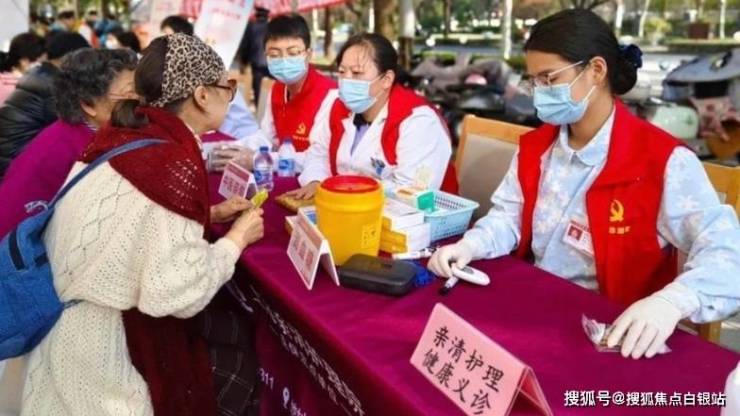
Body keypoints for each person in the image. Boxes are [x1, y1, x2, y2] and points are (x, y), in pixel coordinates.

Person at [429, 9, 740, 360]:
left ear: (596, 70)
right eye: (533, 81)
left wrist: (671, 302)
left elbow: (728, 254)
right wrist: (471, 245)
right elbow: (509, 218)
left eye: (549, 78)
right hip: (534, 307)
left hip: (612, 333)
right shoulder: (538, 149)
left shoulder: (662, 161)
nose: (538, 92)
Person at [19, 33, 264, 415]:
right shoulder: (172, 159)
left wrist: (209, 215)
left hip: (64, 328)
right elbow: (176, 292)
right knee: (236, 368)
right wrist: (236, 239)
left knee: (227, 331)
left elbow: (136, 219)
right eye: (227, 87)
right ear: (202, 94)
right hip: (101, 359)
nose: (230, 96)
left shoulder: (122, 134)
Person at [289, 33, 454, 199]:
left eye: (356, 72)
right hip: (347, 205)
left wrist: (352, 191)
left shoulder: (419, 121)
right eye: (342, 72)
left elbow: (412, 192)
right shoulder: (338, 107)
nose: (346, 80)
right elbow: (319, 153)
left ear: (386, 79)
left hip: (412, 213)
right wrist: (316, 180)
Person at [0, 48, 137, 238]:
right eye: (130, 93)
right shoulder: (77, 148)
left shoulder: (83, 130)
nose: (140, 100)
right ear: (88, 104)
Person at [0, 32, 89, 177]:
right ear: (70, 57)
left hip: (10, 156)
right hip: (16, 165)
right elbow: (77, 124)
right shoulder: (53, 85)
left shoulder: (38, 74)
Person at [0, 32, 46, 104]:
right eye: (40, 62)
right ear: (24, 61)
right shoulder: (19, 89)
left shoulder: (5, 77)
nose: (41, 66)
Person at [237, 6, 269, 101]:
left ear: (256, 15)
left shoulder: (251, 27)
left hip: (257, 62)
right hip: (270, 61)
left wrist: (243, 62)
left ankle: (258, 104)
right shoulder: (272, 27)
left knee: (257, 88)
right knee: (269, 88)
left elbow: (246, 45)